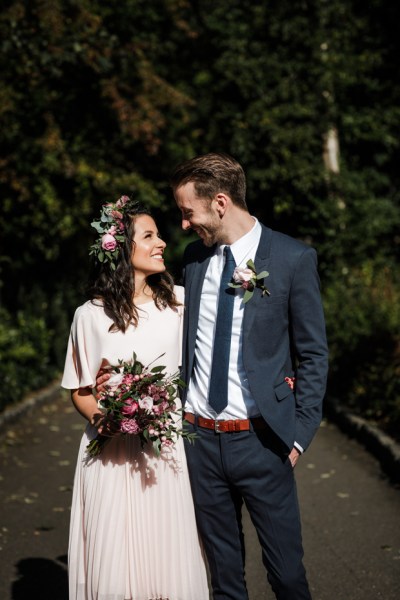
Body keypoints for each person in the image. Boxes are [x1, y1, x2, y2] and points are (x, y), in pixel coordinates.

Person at [169, 153, 329, 600]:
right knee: (224, 580)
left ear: (220, 203)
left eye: (188, 212)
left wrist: (298, 435)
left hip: (263, 442)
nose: (183, 224)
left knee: (287, 576)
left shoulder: (293, 258)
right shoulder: (194, 259)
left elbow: (313, 354)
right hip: (199, 441)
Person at [61, 196, 208, 600]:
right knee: (116, 560)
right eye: (149, 236)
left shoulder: (178, 303)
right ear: (123, 250)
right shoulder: (89, 315)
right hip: (109, 454)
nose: (162, 242)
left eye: (159, 234)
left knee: (167, 556)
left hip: (165, 450)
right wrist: (104, 419)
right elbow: (80, 388)